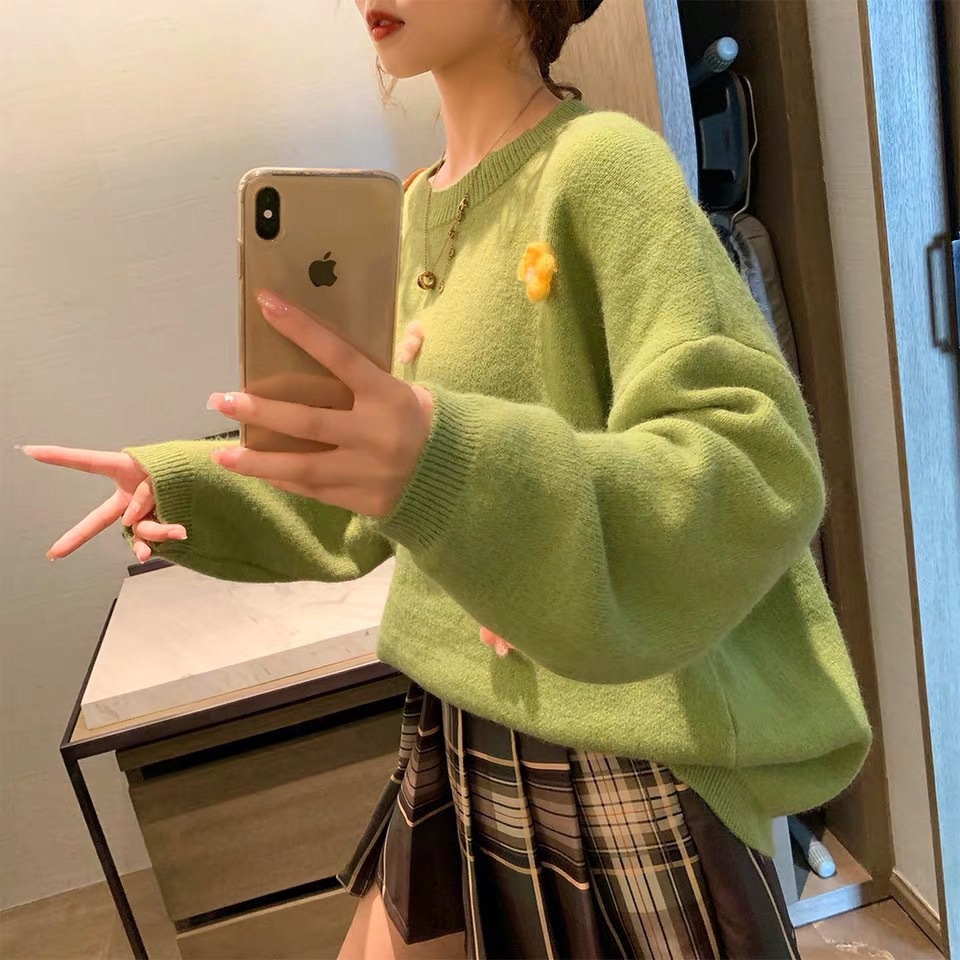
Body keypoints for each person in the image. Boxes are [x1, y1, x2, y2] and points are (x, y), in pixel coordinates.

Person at [23, 1, 871, 957]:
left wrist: (449, 459)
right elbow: (368, 486)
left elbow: (751, 462)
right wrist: (186, 481)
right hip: (459, 719)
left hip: (614, 737)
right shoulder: (415, 207)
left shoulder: (601, 164)